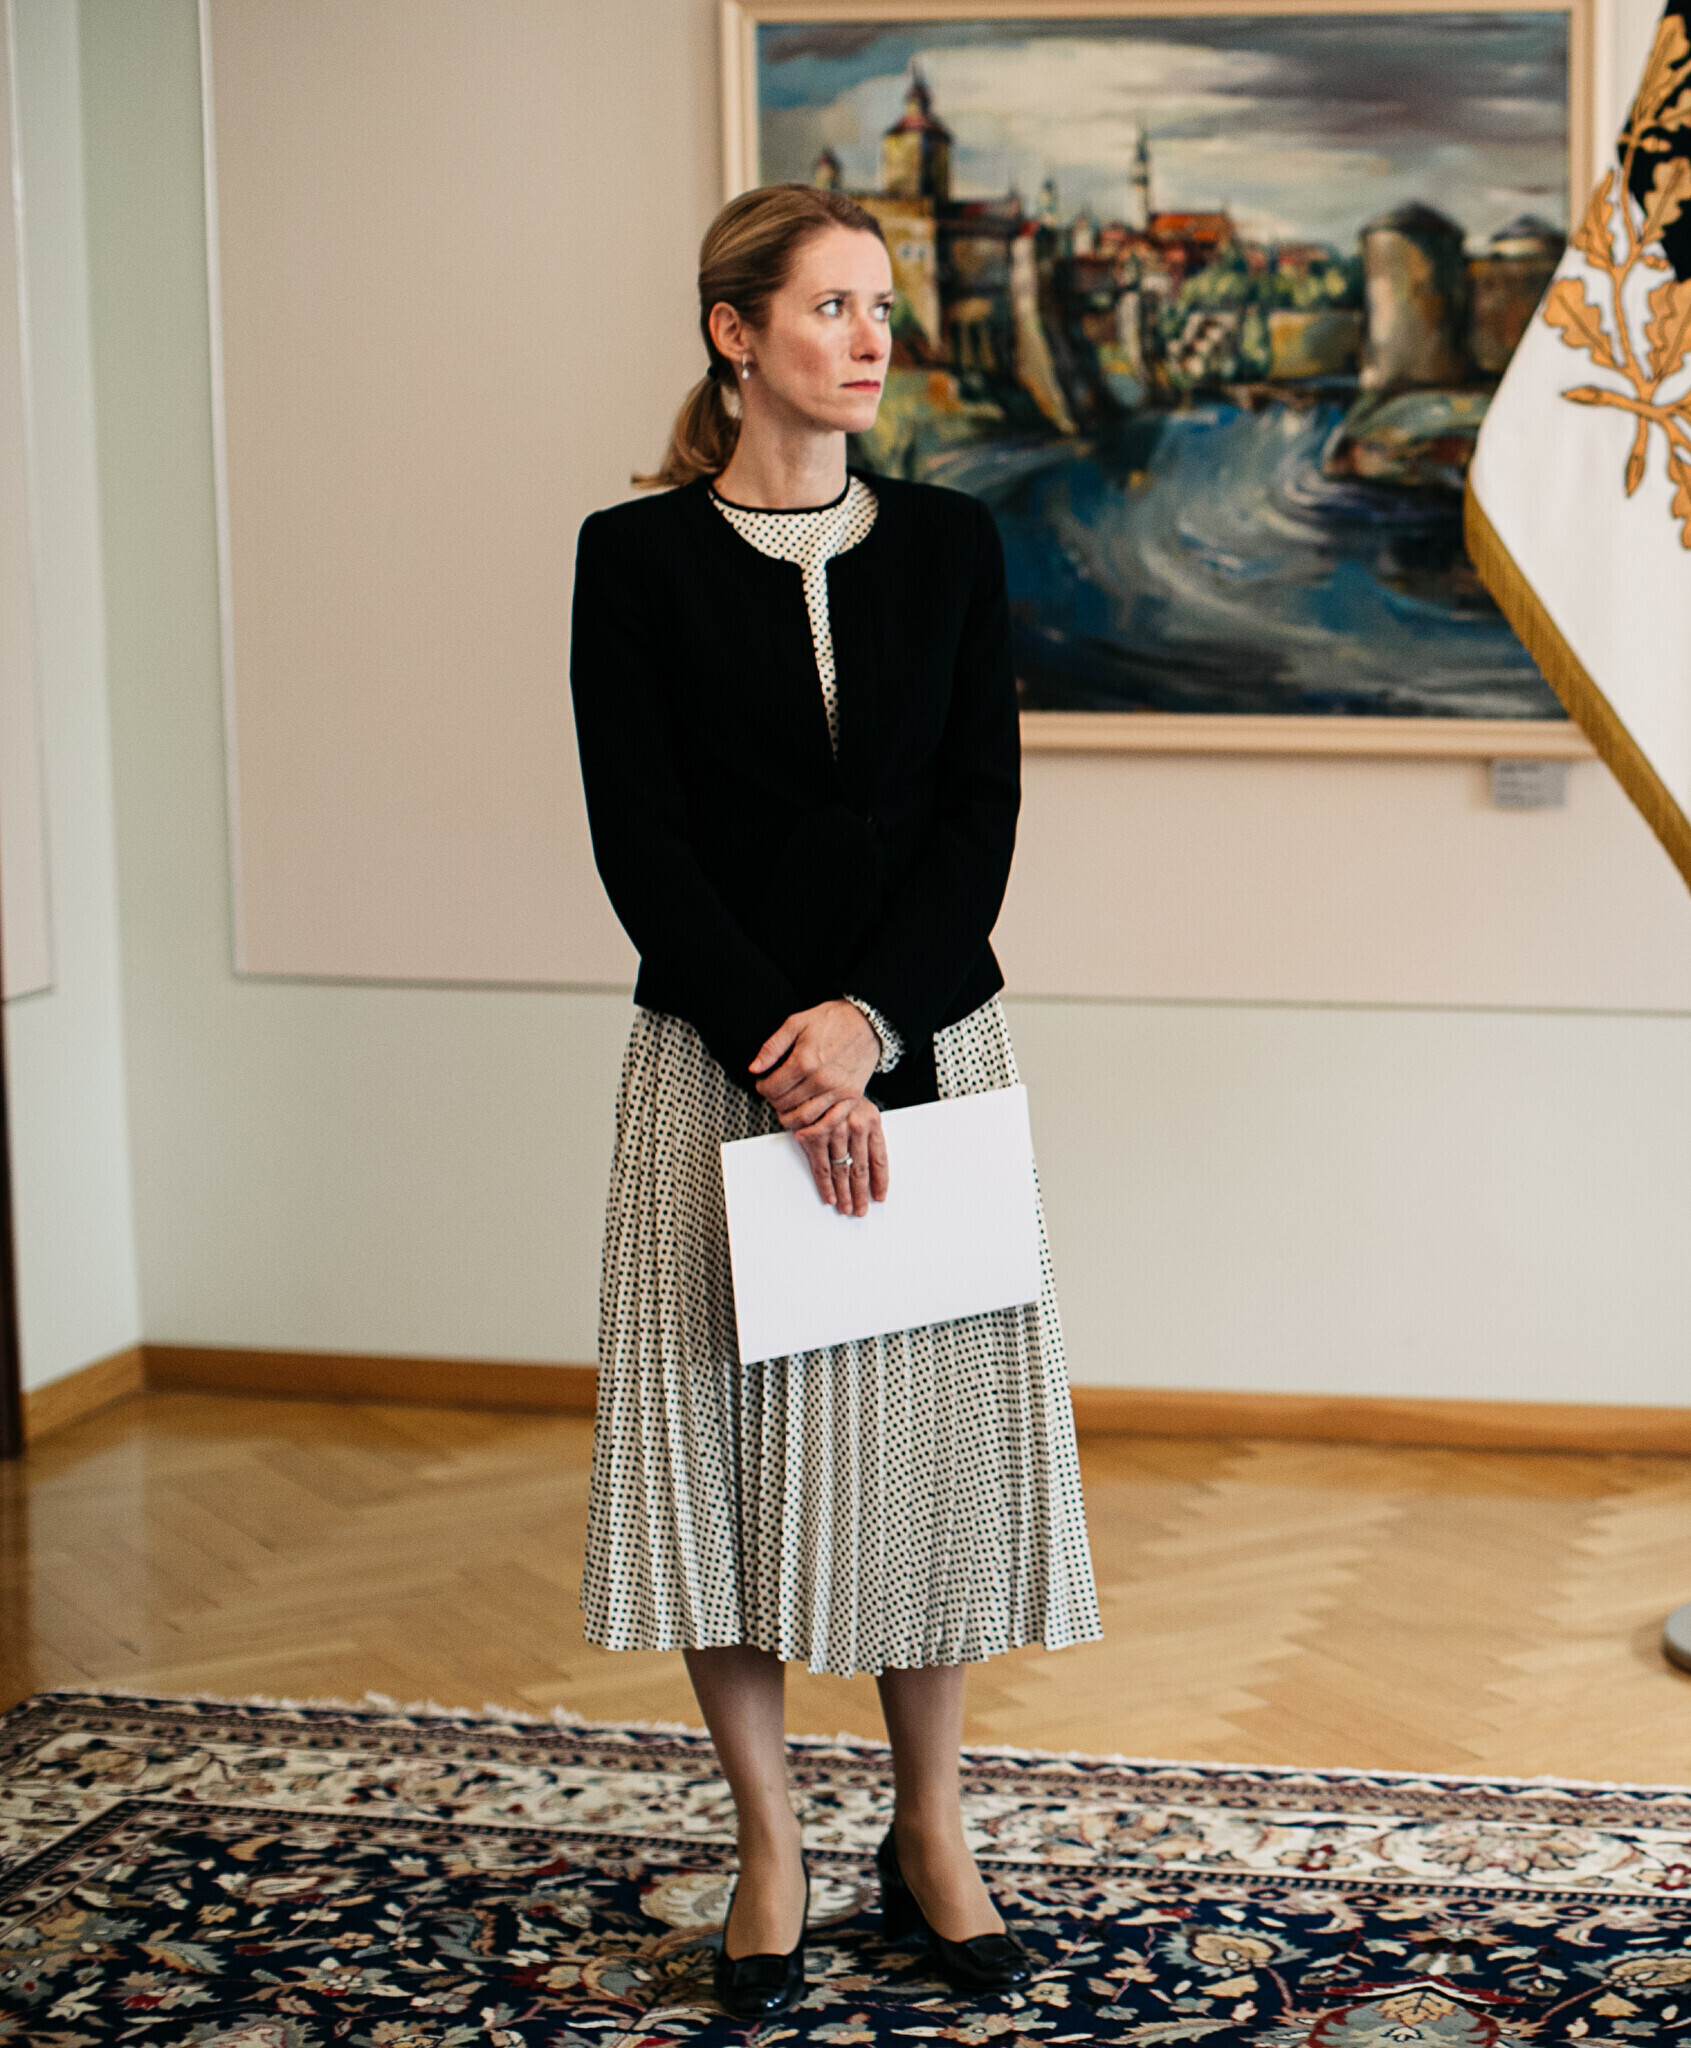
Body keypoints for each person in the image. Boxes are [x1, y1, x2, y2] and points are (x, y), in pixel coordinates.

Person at [569, 184, 1100, 2022]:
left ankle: (932, 1830)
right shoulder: (630, 560)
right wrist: (783, 1049)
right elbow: (640, 845)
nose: (874, 338)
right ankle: (773, 1843)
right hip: (716, 1069)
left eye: (882, 306)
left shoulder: (953, 542)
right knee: (724, 1464)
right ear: (736, 333)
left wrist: (867, 1026)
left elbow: (978, 817)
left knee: (926, 1460)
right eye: (832, 307)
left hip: (924, 1052)